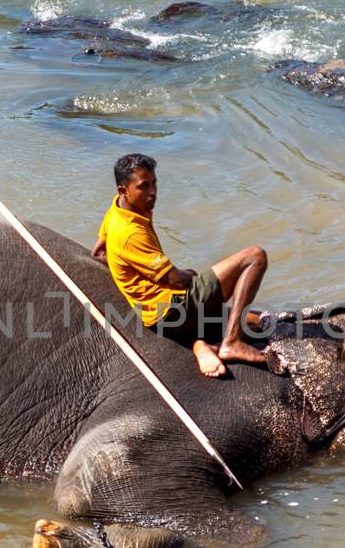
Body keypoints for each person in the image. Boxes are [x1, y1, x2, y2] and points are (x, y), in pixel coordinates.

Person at [92, 152, 270, 379]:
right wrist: (192, 276)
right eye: (144, 187)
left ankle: (200, 344)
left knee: (255, 319)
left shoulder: (117, 209)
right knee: (255, 256)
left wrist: (129, 272)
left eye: (154, 183)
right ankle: (231, 342)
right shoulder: (130, 233)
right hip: (172, 310)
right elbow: (175, 280)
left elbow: (98, 252)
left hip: (159, 308)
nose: (153, 192)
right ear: (123, 190)